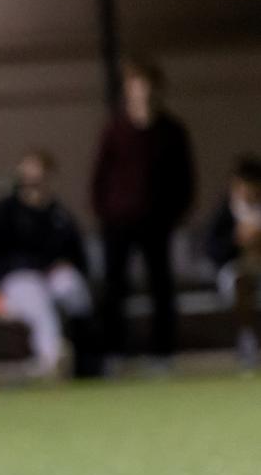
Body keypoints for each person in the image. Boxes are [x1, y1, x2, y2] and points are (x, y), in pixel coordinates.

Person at [91, 58, 196, 372]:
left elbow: (185, 177)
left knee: (162, 288)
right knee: (114, 289)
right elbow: (99, 177)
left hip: (158, 223)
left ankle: (162, 354)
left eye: (148, 86)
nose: (142, 93)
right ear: (128, 90)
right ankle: (114, 354)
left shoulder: (172, 131)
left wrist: (176, 213)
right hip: (118, 223)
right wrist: (106, 212)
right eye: (136, 86)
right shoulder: (115, 130)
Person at [0, 150, 97, 379]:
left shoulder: (59, 214)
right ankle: (51, 358)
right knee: (38, 299)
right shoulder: (6, 212)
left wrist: (67, 265)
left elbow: (78, 256)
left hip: (51, 277)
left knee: (73, 287)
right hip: (18, 281)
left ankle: (89, 356)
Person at [202, 154, 261, 369]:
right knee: (239, 280)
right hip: (238, 268)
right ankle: (247, 340)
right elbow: (211, 248)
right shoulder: (226, 210)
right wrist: (236, 241)